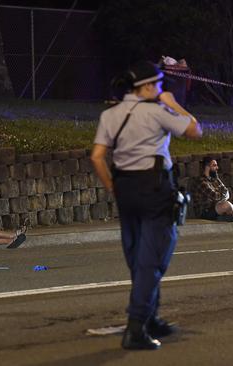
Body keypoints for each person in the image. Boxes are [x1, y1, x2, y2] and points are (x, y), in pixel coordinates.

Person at [90, 61, 202, 350]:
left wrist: (112, 187)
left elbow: (97, 156)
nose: (163, 89)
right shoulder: (157, 112)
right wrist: (174, 104)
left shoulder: (111, 114)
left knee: (138, 254)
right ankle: (136, 327)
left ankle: (151, 318)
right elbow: (194, 131)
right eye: (161, 85)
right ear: (149, 87)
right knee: (153, 258)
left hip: (125, 188)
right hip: (154, 188)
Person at [191, 157, 233, 222]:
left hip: (219, 205)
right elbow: (215, 197)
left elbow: (226, 192)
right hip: (206, 211)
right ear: (207, 167)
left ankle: (229, 216)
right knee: (227, 204)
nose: (217, 168)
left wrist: (222, 196)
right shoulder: (201, 182)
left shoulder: (214, 178)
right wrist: (223, 196)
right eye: (214, 165)